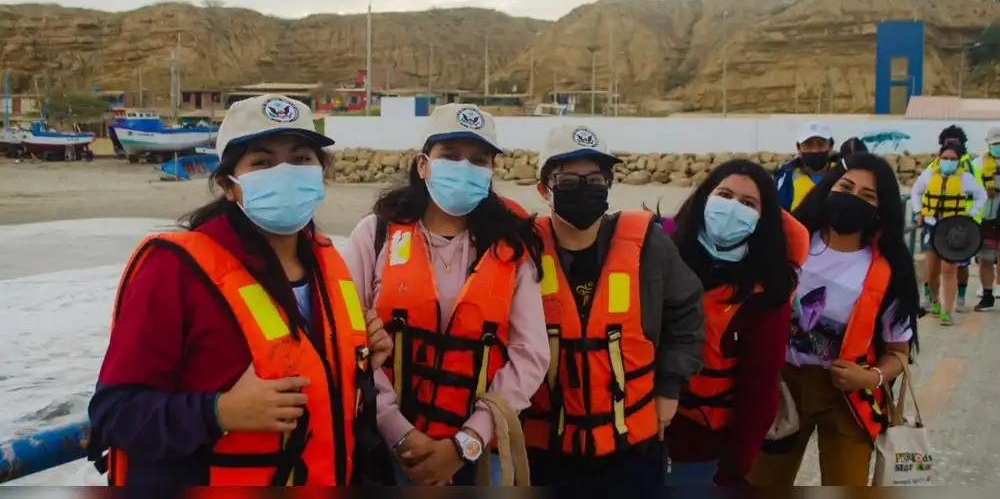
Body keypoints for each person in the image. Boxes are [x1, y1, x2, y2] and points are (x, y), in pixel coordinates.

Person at [87, 94, 393, 487]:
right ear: (228, 185)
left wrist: (360, 358)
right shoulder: (175, 269)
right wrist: (219, 412)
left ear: (321, 173)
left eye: (301, 159)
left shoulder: (326, 260)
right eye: (262, 162)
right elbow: (114, 413)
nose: (285, 173)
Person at [340, 104, 548, 486]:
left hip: (481, 454)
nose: (464, 168)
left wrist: (468, 440)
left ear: (491, 171)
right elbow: (347, 335)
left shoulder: (512, 249)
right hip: (387, 448)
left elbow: (530, 353)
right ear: (423, 165)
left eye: (478, 160)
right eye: (450, 156)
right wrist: (398, 431)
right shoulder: (375, 235)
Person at [519, 124, 705, 487]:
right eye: (568, 180)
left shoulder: (648, 246)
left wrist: (669, 386)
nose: (584, 189)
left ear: (609, 184)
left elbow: (686, 312)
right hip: (545, 447)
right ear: (543, 189)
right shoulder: (523, 250)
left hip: (632, 445)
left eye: (596, 180)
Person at [748, 154, 920, 486]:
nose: (853, 197)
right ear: (828, 188)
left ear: (880, 209)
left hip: (847, 397)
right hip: (781, 385)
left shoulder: (889, 272)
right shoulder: (790, 245)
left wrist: (870, 377)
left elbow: (899, 352)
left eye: (867, 195)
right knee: (760, 482)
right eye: (846, 187)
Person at [659, 159, 808, 487]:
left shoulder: (766, 295)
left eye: (748, 203)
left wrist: (734, 466)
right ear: (704, 198)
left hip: (702, 448)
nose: (732, 208)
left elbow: (759, 391)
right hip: (638, 434)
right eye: (724, 195)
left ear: (762, 218)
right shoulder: (663, 255)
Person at [911, 141, 987, 325]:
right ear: (939, 157)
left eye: (953, 159)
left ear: (959, 160)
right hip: (931, 225)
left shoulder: (965, 178)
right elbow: (915, 192)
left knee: (949, 270)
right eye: (945, 158)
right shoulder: (929, 175)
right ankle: (935, 301)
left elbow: (981, 195)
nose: (948, 162)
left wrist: (970, 214)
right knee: (931, 270)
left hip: (954, 229)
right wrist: (918, 211)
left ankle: (947, 311)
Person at [774, 121, 839, 212]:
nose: (815, 150)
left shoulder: (843, 173)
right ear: (798, 148)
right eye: (808, 145)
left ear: (831, 146)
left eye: (821, 144)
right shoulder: (786, 178)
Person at [973, 127, 1000, 311]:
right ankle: (987, 295)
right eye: (995, 144)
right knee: (985, 257)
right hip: (987, 215)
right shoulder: (979, 163)